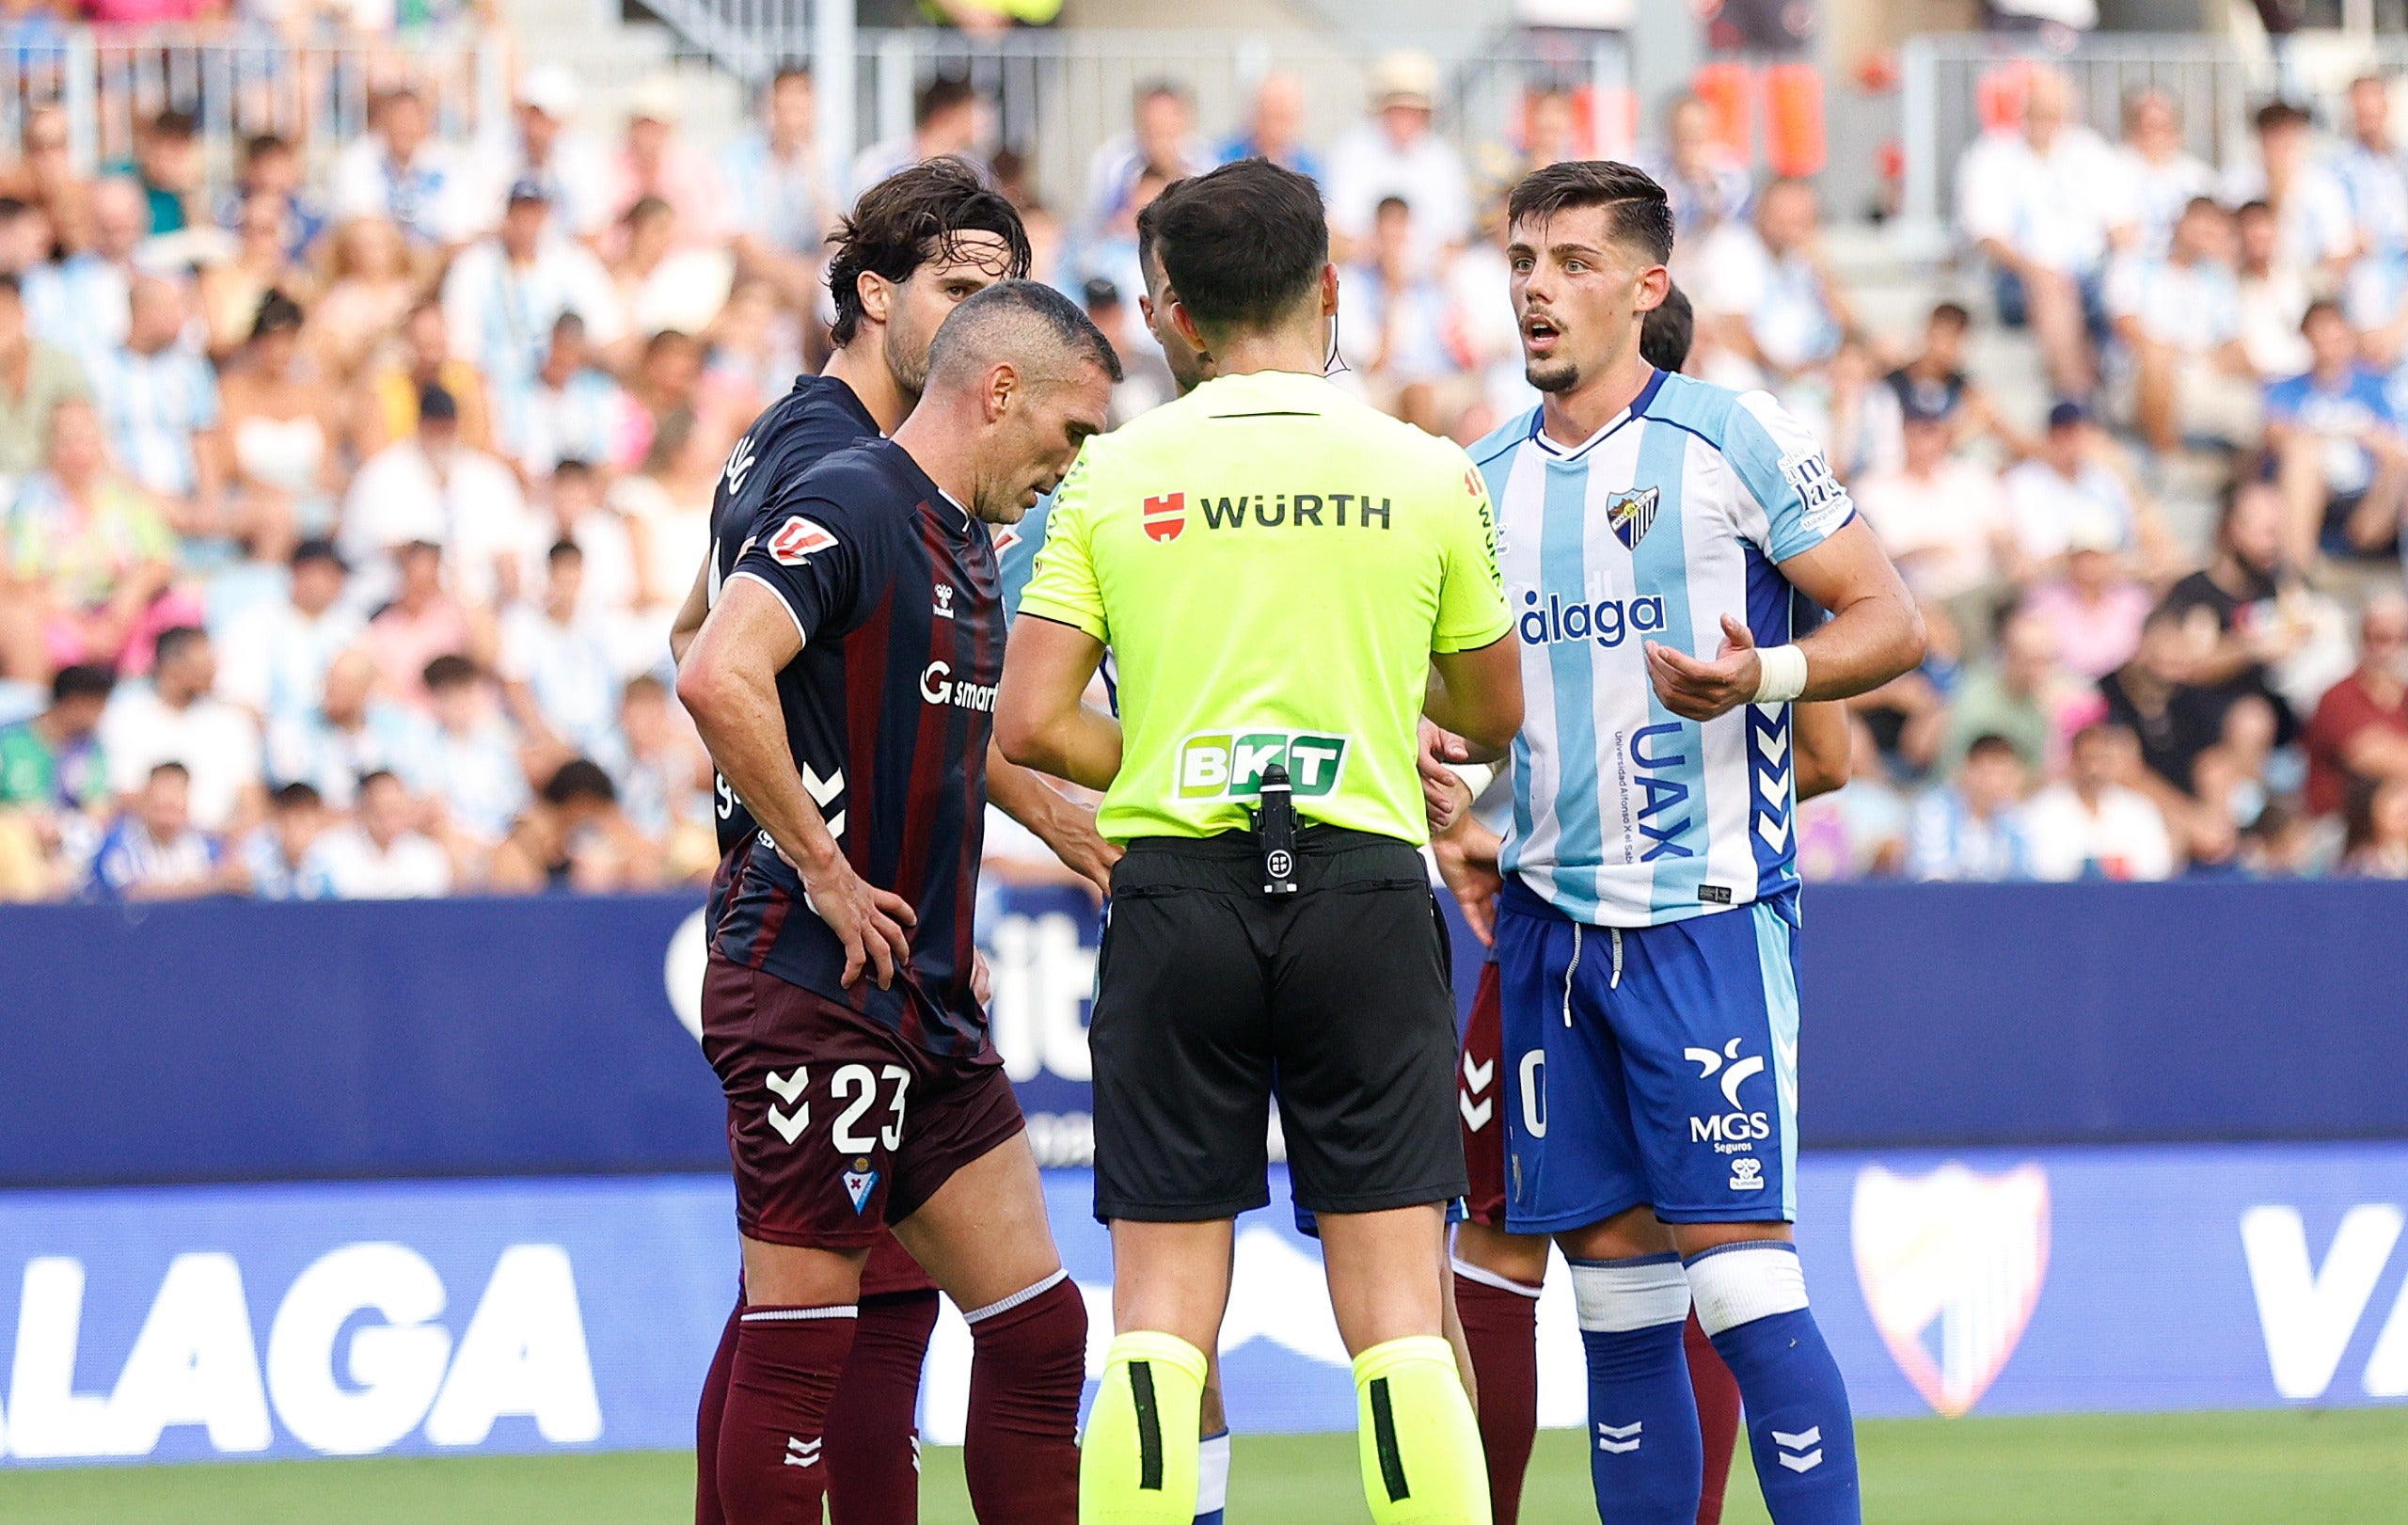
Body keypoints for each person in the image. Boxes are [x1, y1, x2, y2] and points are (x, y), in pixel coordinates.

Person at [995, 158, 1522, 1525]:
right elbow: (1491, 713)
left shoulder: (1114, 472)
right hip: (1361, 885)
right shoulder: (1425, 468)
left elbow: (1032, 721)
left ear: (1172, 310)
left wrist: (1176, 745)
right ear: (1329, 288)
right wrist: (1371, 716)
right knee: (1400, 1320)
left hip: (1178, 892)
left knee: (1160, 1320)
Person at [1441, 159, 1925, 1525]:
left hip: (1703, 920)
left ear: (1647, 286)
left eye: (1572, 262)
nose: (1537, 289)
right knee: (1617, 1312)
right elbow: (1472, 703)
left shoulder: (1731, 434)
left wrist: (1764, 675)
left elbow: (1892, 620)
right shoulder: (1474, 479)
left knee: (1744, 1286)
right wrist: (1448, 775)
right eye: (1522, 261)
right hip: (1547, 938)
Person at [667, 164, 1109, 1525]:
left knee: (1014, 1327)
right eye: (960, 289)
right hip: (820, 965)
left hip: (910, 974)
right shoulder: (842, 468)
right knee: (818, 1334)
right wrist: (813, 854)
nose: (1074, 460)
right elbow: (717, 664)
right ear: (876, 296)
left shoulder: (923, 509)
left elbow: (705, 627)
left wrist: (1053, 818)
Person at [1954, 68, 2119, 399]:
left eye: (2055, 114)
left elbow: (2122, 225)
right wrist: (2040, 273)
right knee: (2052, 293)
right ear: (2024, 111)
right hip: (2020, 278)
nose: (2047, 123)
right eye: (2040, 113)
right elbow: (1987, 235)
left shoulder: (2091, 151)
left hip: (2093, 274)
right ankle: (2076, 401)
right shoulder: (1993, 154)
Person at [2107, 197, 2258, 453]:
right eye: (2201, 223)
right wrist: (2179, 353)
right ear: (2180, 224)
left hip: (2199, 371)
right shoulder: (2137, 266)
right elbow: (2128, 327)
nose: (2206, 233)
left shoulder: (2219, 279)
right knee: (2156, 362)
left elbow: (2232, 342)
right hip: (2141, 372)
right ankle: (2167, 457)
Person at [2266, 300, 2408, 567]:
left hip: (2367, 496)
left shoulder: (2375, 388)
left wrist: (2371, 437)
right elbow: (2275, 434)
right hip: (2316, 492)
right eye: (2321, 339)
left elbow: (2393, 444)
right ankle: (2297, 569)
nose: (2329, 348)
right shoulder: (2287, 389)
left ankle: (2364, 544)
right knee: (2301, 456)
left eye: (2335, 338)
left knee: (2399, 462)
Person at [1325, 50, 1474, 273]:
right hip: (1360, 275)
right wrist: (1378, 252)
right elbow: (1336, 231)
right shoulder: (1350, 152)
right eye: (1398, 109)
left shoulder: (1444, 162)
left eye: (1414, 110)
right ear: (1381, 108)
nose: (1406, 118)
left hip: (1426, 280)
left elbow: (1456, 238)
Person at [218, 291, 339, 541]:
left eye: (288, 342)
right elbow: (229, 465)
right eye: (272, 342)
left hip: (312, 506)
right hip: (253, 505)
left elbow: (328, 466)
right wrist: (276, 495)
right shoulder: (232, 391)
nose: (280, 352)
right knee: (277, 521)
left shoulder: (314, 393)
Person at [215, 537, 362, 728]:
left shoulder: (350, 626)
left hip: (334, 734)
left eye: (338, 577)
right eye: (326, 574)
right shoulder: (257, 623)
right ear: (298, 573)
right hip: (270, 730)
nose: (335, 584)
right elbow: (240, 693)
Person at [2024, 723, 2175, 881]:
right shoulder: (2043, 809)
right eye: (2087, 759)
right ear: (2073, 761)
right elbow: (2039, 866)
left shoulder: (2140, 810)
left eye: (2102, 760)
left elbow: (2157, 866)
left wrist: (2115, 867)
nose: (2094, 769)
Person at [2305, 593, 2408, 820]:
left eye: (2394, 638)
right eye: (2373, 637)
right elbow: (2370, 757)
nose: (2382, 649)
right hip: (2341, 825)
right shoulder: (2338, 697)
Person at [86, 759, 237, 899]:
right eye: (163, 790)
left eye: (177, 790)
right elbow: (132, 894)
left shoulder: (205, 846)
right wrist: (211, 884)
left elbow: (231, 874)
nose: (169, 798)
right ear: (146, 798)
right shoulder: (119, 842)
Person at [307, 767, 452, 898]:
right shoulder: (329, 854)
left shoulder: (428, 857)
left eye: (396, 812)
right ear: (361, 811)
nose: (388, 822)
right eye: (379, 812)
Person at [0, 269, 88, 483]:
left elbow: (86, 440)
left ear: (22, 312)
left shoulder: (61, 366)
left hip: (55, 487)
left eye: (4, 313)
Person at [1909, 733, 2034, 881]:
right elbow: (1933, 878)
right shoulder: (1933, 810)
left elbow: (2022, 878)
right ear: (1969, 770)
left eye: (2007, 774)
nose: (1999, 783)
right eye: (1992, 773)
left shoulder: (2013, 818)